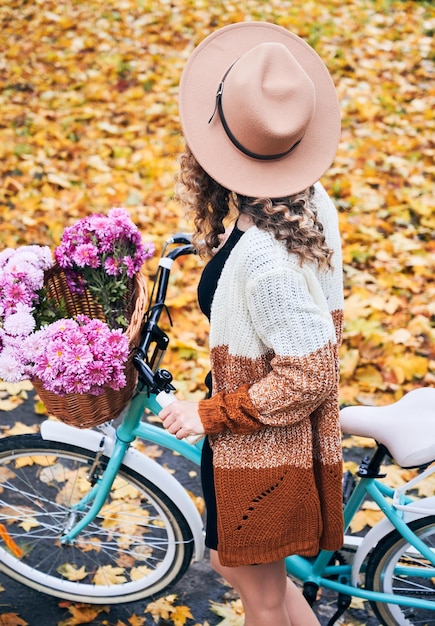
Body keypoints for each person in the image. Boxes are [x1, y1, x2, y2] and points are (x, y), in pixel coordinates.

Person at [159, 22, 344, 626]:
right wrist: (214, 243)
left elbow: (308, 375)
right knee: (241, 570)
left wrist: (205, 414)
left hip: (262, 444)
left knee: (254, 588)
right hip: (262, 435)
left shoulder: (264, 260)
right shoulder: (304, 199)